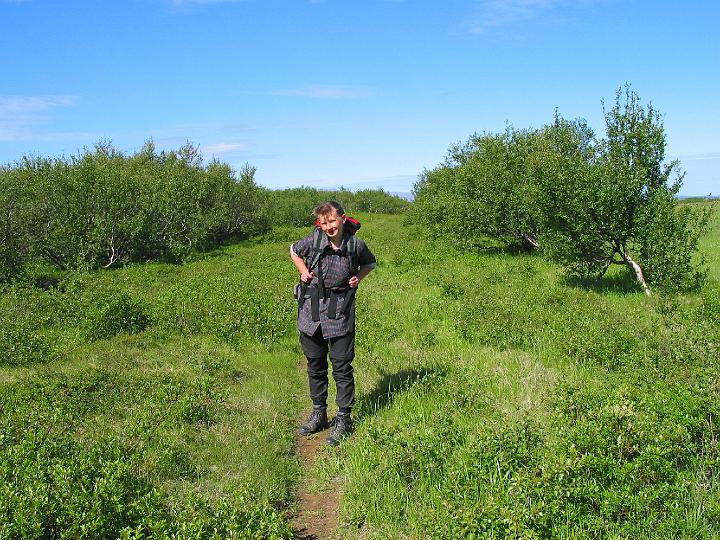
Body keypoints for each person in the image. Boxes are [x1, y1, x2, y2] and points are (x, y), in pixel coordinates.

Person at [290, 201, 376, 445]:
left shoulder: (356, 245)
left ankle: (343, 419)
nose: (328, 227)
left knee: (342, 367)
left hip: (340, 312)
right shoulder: (314, 241)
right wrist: (303, 270)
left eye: (332, 221)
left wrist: (358, 277)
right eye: (324, 222)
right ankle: (319, 414)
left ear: (342, 219)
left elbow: (370, 263)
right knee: (315, 364)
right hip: (311, 313)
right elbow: (293, 250)